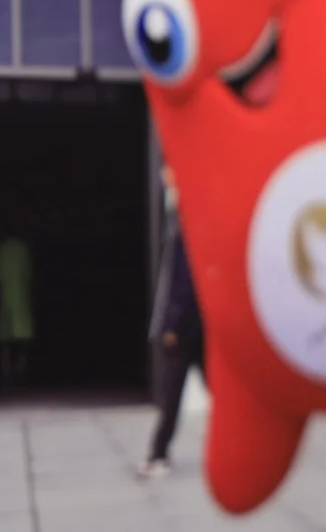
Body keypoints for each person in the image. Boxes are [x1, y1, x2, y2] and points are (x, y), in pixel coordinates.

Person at [138, 165, 205, 480]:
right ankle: (159, 453)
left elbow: (181, 282)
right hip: (192, 326)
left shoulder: (182, 229)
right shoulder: (178, 228)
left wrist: (171, 325)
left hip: (183, 328)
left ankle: (158, 454)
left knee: (171, 394)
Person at [0, 229, 34, 389]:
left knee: (5, 342)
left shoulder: (2, 249)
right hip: (21, 301)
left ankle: (6, 374)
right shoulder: (22, 248)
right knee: (23, 341)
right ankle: (19, 372)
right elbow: (28, 274)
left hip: (6, 301)